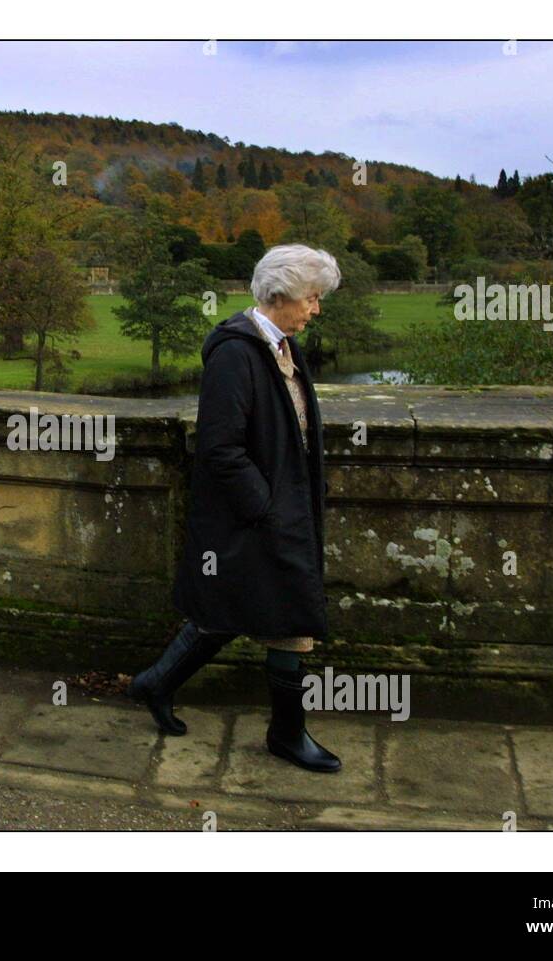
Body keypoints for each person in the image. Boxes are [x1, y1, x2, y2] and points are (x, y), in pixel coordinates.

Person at [129, 244, 342, 772]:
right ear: (282, 294)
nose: (316, 309)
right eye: (312, 298)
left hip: (282, 507)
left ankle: (157, 682)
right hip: (258, 514)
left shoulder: (282, 347)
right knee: (271, 612)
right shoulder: (236, 353)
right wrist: (266, 507)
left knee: (233, 609)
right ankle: (287, 736)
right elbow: (220, 448)